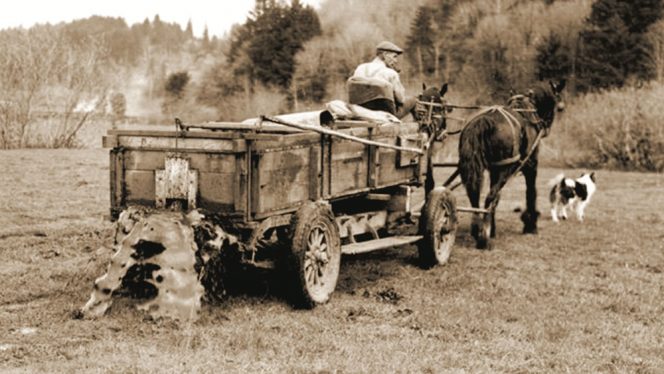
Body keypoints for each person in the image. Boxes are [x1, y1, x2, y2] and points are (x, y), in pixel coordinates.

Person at [348, 41, 416, 119]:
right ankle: (422, 127)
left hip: (360, 112)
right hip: (385, 115)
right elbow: (401, 99)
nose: (396, 61)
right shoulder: (390, 73)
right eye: (394, 56)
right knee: (413, 100)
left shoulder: (360, 68)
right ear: (385, 55)